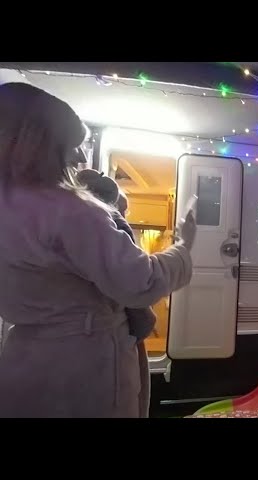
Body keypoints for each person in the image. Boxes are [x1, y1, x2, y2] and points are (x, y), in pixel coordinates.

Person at [0, 82, 196, 418]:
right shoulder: (72, 210)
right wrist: (183, 245)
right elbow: (141, 283)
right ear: (45, 144)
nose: (79, 156)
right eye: (73, 146)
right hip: (83, 366)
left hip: (25, 359)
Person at [75, 168, 156, 418]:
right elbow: (134, 289)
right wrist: (145, 322)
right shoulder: (117, 229)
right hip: (113, 334)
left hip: (69, 340)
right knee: (130, 395)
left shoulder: (57, 224)